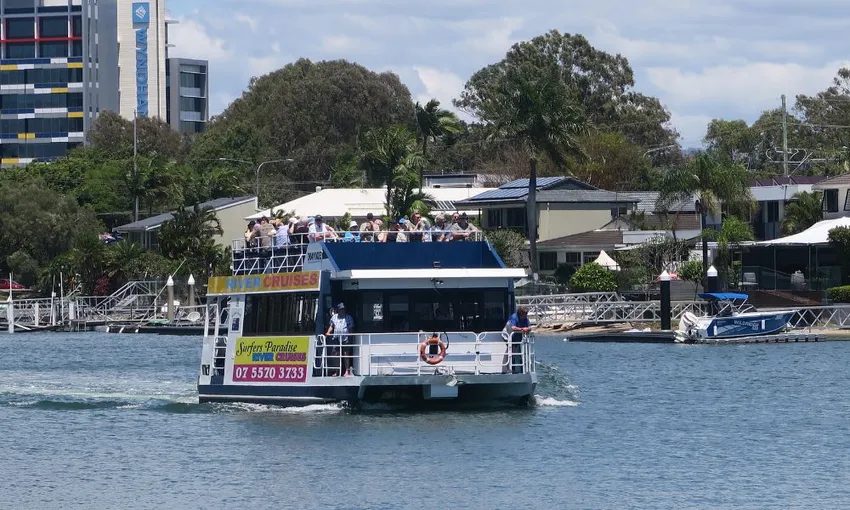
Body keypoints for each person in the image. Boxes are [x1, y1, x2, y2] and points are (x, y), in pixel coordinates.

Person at [325, 303, 355, 376]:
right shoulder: (334, 317)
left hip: (345, 338)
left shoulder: (348, 318)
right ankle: (337, 370)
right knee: (335, 354)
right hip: (336, 338)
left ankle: (347, 371)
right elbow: (332, 326)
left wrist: (350, 337)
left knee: (346, 354)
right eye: (341, 309)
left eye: (343, 309)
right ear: (338, 310)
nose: (343, 310)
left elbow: (350, 328)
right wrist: (328, 332)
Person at [503, 307, 531, 374]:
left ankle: (518, 368)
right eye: (525, 313)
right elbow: (513, 327)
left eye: (527, 313)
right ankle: (509, 369)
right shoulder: (514, 317)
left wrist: (528, 329)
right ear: (521, 313)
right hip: (508, 336)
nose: (526, 315)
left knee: (516, 351)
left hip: (517, 337)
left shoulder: (525, 318)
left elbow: (529, 327)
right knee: (511, 351)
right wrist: (523, 329)